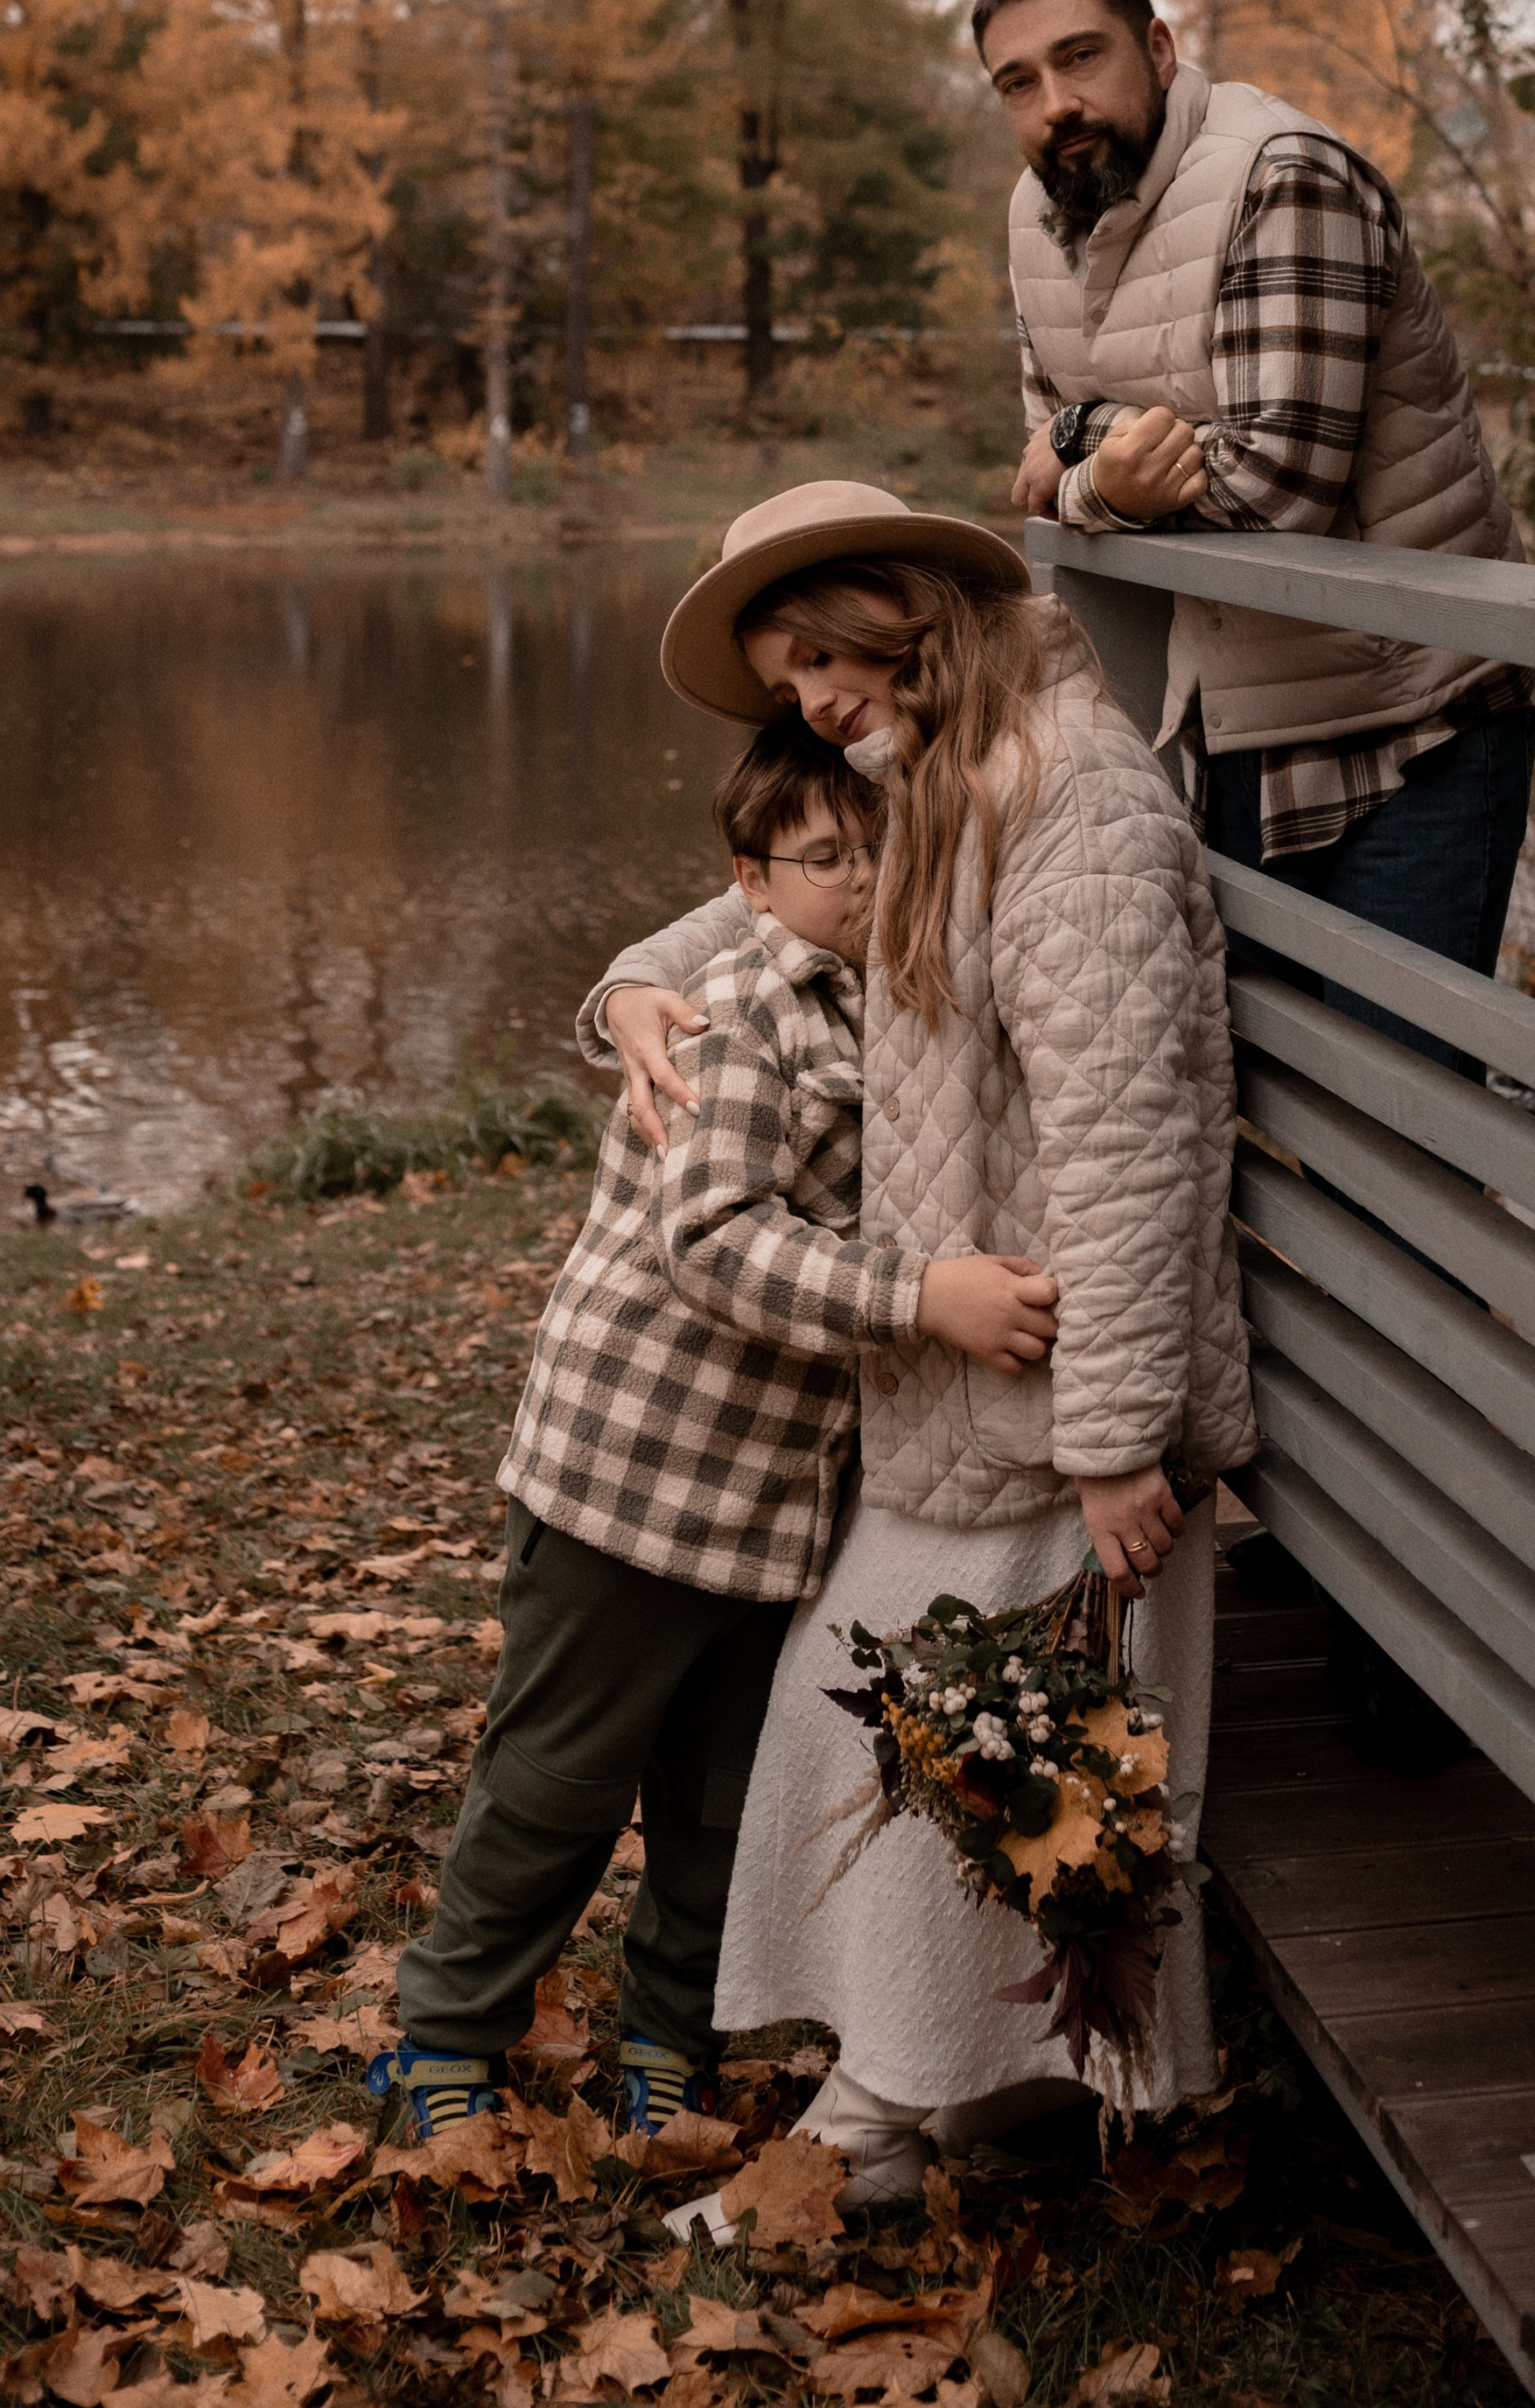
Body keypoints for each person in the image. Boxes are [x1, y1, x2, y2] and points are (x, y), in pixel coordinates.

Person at [586, 479, 1253, 2202]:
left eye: (822, 649)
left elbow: (1125, 1136)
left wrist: (1112, 1432)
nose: (808, 696)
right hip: (978, 1387)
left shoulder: (1072, 806)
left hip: (1060, 1394)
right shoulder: (949, 776)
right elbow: (785, 897)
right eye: (780, 674)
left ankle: (887, 2119)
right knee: (910, 1732)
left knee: (931, 1728)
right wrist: (634, 984)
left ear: (907, 608)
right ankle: (968, 2091)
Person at [375, 706, 1059, 2145]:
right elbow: (712, 1241)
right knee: (559, 1775)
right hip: (630, 1470)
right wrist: (920, 1295)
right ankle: (446, 2032)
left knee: (720, 1806)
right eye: (823, 863)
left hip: (772, 1499)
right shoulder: (749, 1013)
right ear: (750, 883)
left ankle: (670, 2038)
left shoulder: (904, 1001)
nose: (862, 884)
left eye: (880, 853)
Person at [976, 0, 1535, 1063]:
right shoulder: (1039, 219)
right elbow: (1043, 473)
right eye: (1019, 83)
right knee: (1250, 1118)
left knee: (1403, 1128)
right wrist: (1096, 469)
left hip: (1412, 727)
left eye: (1082, 58)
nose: (1057, 103)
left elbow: (1280, 489)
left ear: (1161, 47)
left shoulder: (1285, 175)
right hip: (1228, 722)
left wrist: (1089, 443)